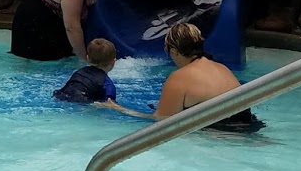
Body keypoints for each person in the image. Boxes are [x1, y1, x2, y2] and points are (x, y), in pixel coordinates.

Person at [110, 22, 265, 132]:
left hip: (221, 135)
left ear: (174, 52)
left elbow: (162, 121)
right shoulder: (222, 68)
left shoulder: (178, 78)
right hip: (250, 126)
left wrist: (121, 110)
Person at [53, 38, 118, 104]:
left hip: (61, 96)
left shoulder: (78, 73)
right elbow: (110, 104)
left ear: (87, 58)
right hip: (82, 102)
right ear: (113, 62)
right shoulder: (107, 84)